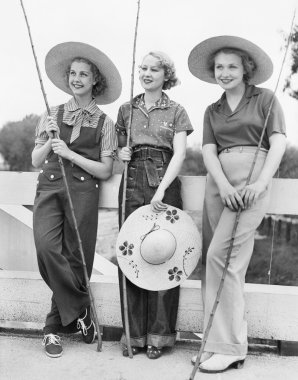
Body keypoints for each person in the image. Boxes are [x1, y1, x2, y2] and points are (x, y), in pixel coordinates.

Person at [188, 36, 286, 373]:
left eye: (232, 66)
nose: (225, 72)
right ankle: (214, 342)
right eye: (219, 67)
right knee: (215, 260)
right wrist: (224, 183)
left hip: (250, 182)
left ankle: (231, 347)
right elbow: (208, 150)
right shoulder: (212, 110)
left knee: (222, 258)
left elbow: (278, 143)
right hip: (219, 184)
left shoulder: (265, 99)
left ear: (246, 69)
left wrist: (259, 183)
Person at [32, 42, 121, 358]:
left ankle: (52, 330)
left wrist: (70, 153)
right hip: (49, 188)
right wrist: (50, 141)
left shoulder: (105, 123)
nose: (77, 78)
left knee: (75, 259)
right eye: (73, 73)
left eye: (84, 74)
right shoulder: (52, 112)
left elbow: (107, 170)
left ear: (95, 80)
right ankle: (82, 309)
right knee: (45, 248)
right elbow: (34, 158)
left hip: (84, 193)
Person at [116, 51, 193, 359]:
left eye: (154, 69)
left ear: (166, 75)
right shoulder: (126, 109)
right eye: (143, 68)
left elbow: (180, 154)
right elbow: (116, 150)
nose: (147, 73)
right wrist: (120, 155)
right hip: (131, 177)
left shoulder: (176, 110)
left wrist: (161, 189)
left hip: (165, 178)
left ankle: (158, 338)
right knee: (130, 253)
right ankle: (133, 335)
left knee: (165, 253)